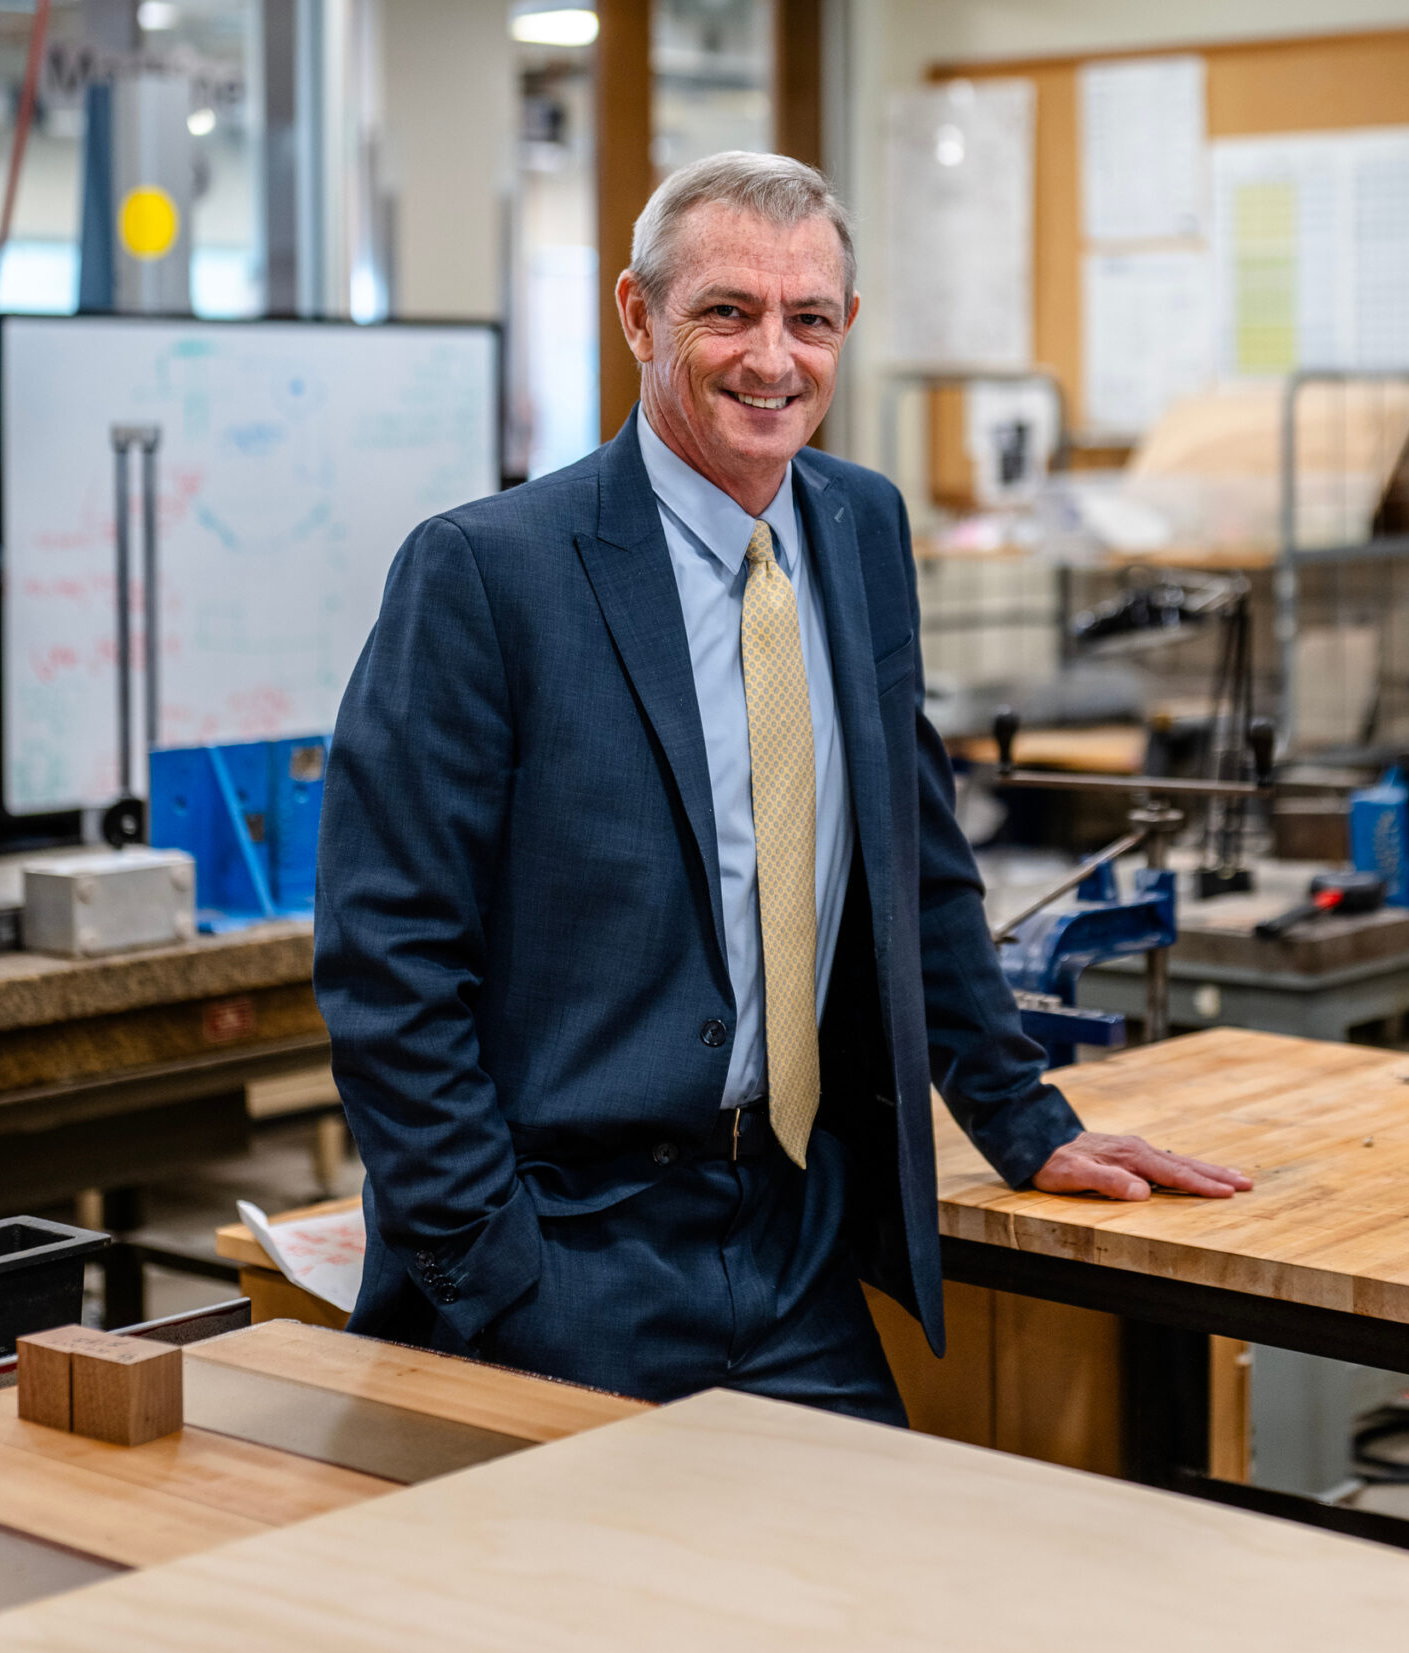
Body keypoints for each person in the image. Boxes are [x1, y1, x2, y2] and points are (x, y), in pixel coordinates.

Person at [315, 151, 1249, 1423]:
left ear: (845, 330)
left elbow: (914, 866)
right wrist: (488, 1260)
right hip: (570, 1249)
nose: (772, 358)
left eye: (808, 319)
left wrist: (1026, 1125)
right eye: (725, 312)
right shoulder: (486, 574)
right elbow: (390, 955)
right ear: (639, 317)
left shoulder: (858, 528)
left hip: (797, 1231)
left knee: (859, 1592)